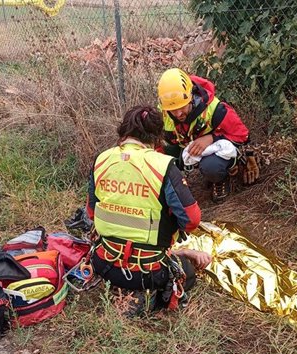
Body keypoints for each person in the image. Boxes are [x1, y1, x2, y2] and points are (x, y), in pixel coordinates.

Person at [86, 105, 212, 312]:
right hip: (148, 272)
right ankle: (147, 296)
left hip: (104, 264)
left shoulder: (102, 159)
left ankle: (123, 290)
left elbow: (92, 212)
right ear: (156, 137)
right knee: (187, 272)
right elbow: (191, 220)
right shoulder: (163, 165)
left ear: (123, 131)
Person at [157, 68, 260, 202]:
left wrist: (212, 138)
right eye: (172, 110)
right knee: (159, 156)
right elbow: (158, 144)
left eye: (182, 107)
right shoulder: (164, 113)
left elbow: (242, 136)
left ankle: (220, 179)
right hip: (184, 146)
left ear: (191, 97)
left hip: (212, 152)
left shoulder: (215, 110)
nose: (178, 114)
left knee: (212, 166)